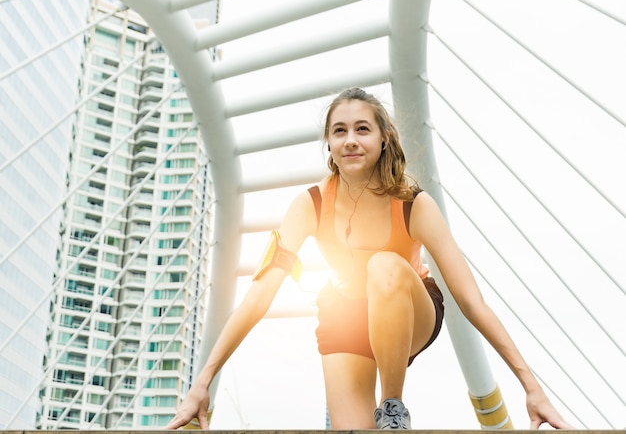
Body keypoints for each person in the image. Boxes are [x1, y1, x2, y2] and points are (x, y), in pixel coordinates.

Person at [166, 87, 573, 430]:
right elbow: (259, 295)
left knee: (383, 266)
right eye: (339, 131)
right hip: (345, 315)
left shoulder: (414, 204)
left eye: (363, 129)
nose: (351, 140)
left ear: (383, 138)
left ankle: (392, 406)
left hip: (408, 309)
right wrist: (203, 380)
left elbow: (471, 300)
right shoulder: (309, 204)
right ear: (328, 141)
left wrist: (530, 385)